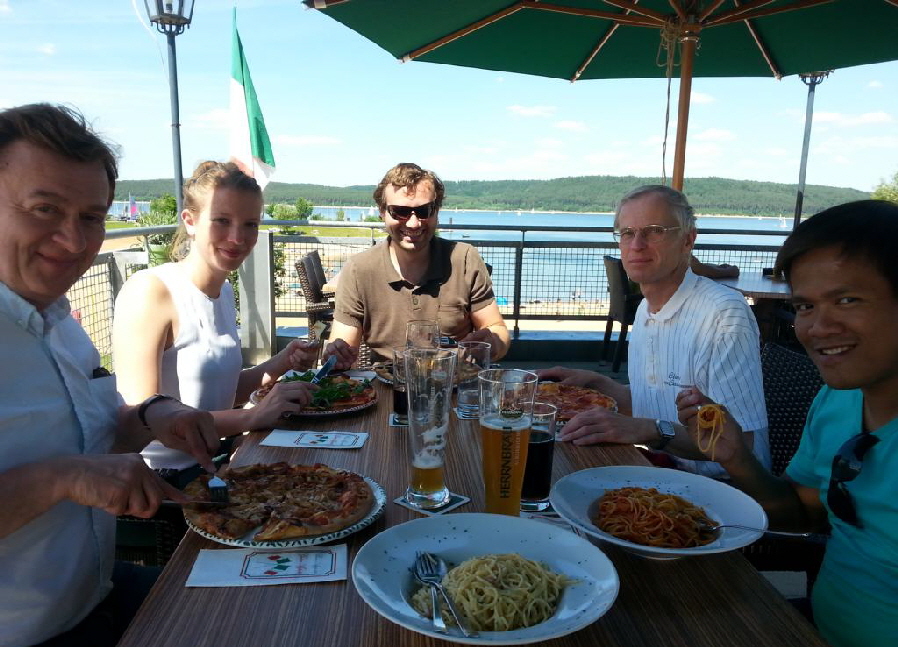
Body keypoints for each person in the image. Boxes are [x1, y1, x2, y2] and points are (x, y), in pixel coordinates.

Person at [0, 103, 218, 647]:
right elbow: (74, 469)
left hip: (99, 597)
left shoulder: (58, 322)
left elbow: (95, 433)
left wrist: (154, 415)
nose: (73, 241)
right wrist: (63, 479)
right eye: (44, 209)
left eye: (92, 217)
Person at [676, 199, 898, 647]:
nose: (818, 327)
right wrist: (739, 460)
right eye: (804, 305)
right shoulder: (838, 401)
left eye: (848, 300)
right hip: (815, 639)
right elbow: (800, 514)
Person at [541, 185, 769, 477]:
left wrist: (647, 431)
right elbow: (654, 404)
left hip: (722, 489)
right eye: (627, 233)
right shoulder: (644, 309)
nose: (636, 245)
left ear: (688, 240)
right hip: (660, 470)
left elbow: (740, 444)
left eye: (654, 230)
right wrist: (596, 385)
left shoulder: (723, 314)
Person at [112, 161, 319, 482]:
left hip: (219, 464)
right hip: (163, 482)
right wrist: (253, 416)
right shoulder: (151, 291)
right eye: (222, 221)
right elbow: (141, 419)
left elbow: (222, 389)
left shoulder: (223, 291)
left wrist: (283, 361)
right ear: (190, 221)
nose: (237, 238)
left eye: (250, 224)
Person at [322, 162, 509, 366]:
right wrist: (338, 355)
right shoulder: (359, 269)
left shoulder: (464, 259)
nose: (413, 223)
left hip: (452, 384)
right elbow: (344, 343)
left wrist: (491, 344)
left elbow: (497, 328)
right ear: (382, 213)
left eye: (424, 211)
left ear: (436, 211)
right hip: (386, 385)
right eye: (400, 211)